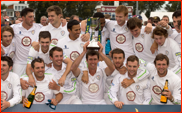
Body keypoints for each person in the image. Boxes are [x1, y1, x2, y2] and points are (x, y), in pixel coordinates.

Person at [11, 8, 42, 76]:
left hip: (34, 63)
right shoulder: (14, 28)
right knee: (17, 84)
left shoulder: (40, 27)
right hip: (19, 63)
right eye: (30, 17)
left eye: (33, 16)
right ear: (23, 18)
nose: (32, 19)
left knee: (33, 85)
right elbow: (4, 33)